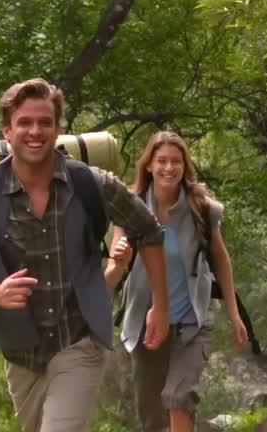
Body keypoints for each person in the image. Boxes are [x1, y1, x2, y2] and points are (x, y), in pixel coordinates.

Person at [0, 78, 171, 432]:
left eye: (44, 122)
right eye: (24, 123)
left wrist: (160, 305)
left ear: (58, 128)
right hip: (20, 353)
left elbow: (150, 232)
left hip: (79, 340)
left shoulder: (92, 184)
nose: (35, 131)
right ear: (7, 131)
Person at [104, 131, 249, 432]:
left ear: (185, 166)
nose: (168, 168)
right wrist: (120, 257)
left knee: (179, 398)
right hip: (146, 325)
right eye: (162, 161)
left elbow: (221, 260)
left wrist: (234, 315)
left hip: (192, 322)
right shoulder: (129, 208)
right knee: (152, 417)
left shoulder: (202, 208)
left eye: (175, 161)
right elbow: (114, 269)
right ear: (148, 166)